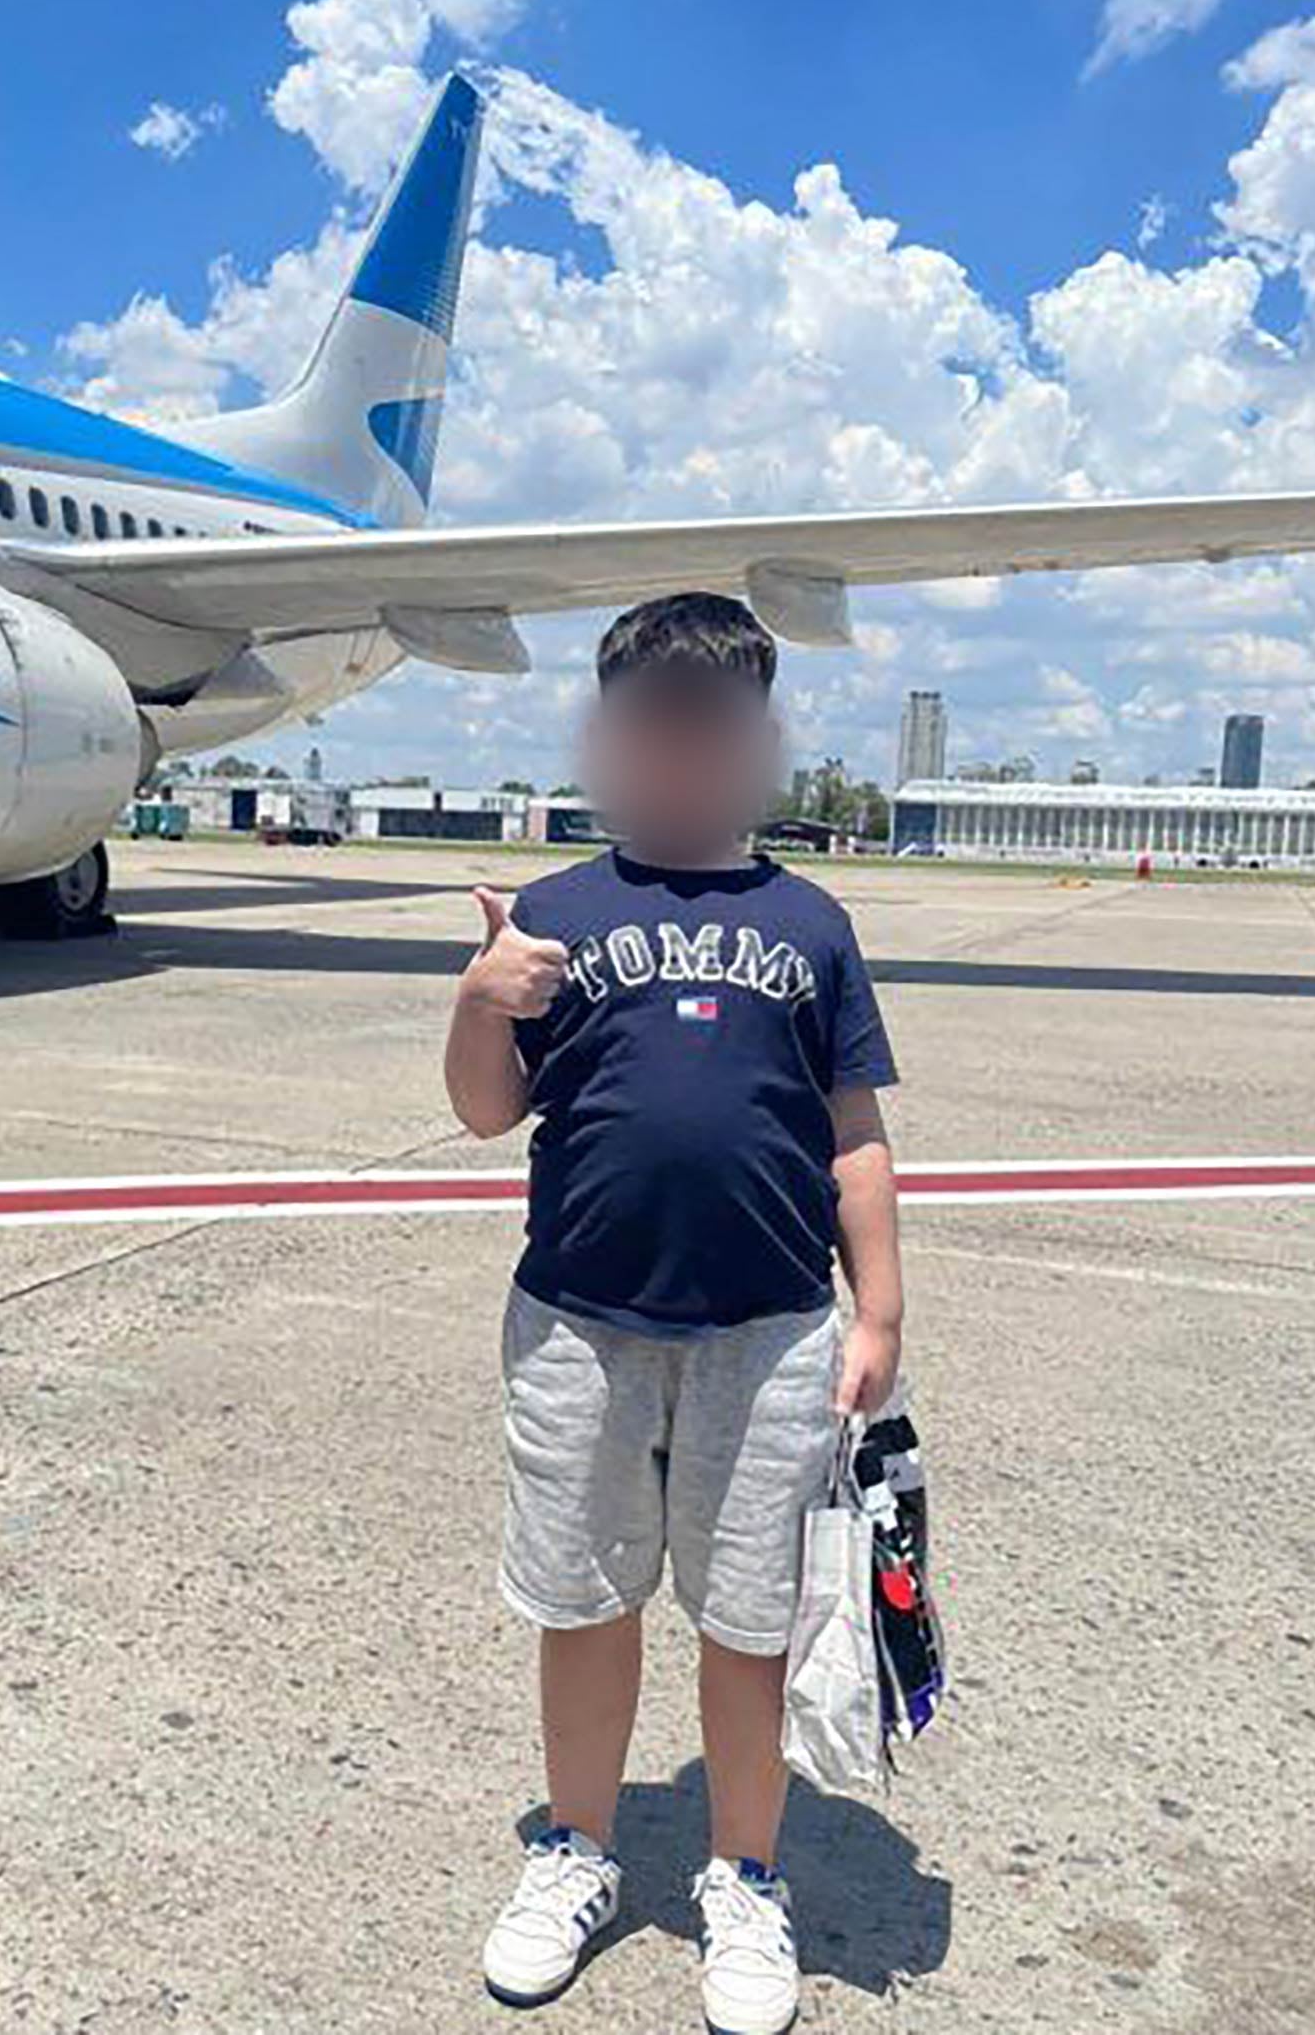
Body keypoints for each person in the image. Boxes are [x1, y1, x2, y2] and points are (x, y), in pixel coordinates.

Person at [444, 592, 903, 2034]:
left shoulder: (809, 925)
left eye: (718, 726)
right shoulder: (562, 913)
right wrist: (479, 997)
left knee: (749, 1616)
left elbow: (855, 1131)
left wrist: (877, 1303)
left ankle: (743, 1871)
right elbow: (483, 1110)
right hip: (581, 1321)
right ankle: (574, 1847)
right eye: (656, 724)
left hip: (772, 1334)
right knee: (584, 1598)